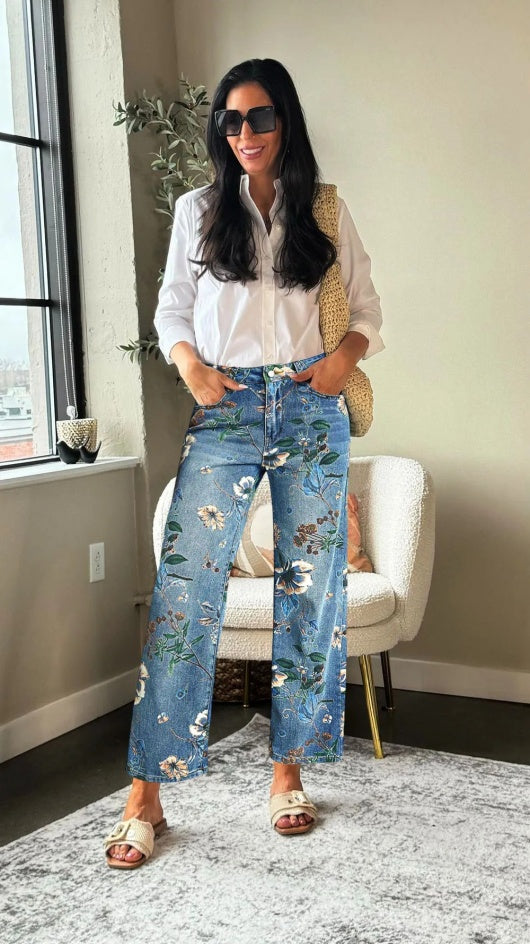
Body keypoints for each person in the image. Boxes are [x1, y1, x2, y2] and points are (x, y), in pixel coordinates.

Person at [104, 57, 384, 868]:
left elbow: (366, 311)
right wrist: (192, 368)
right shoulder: (198, 209)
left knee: (313, 591)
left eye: (260, 117)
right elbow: (172, 310)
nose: (245, 133)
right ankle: (145, 794)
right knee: (184, 595)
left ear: (284, 121)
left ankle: (287, 774)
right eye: (231, 120)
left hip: (310, 407)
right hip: (225, 408)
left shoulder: (325, 208)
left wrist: (337, 365)